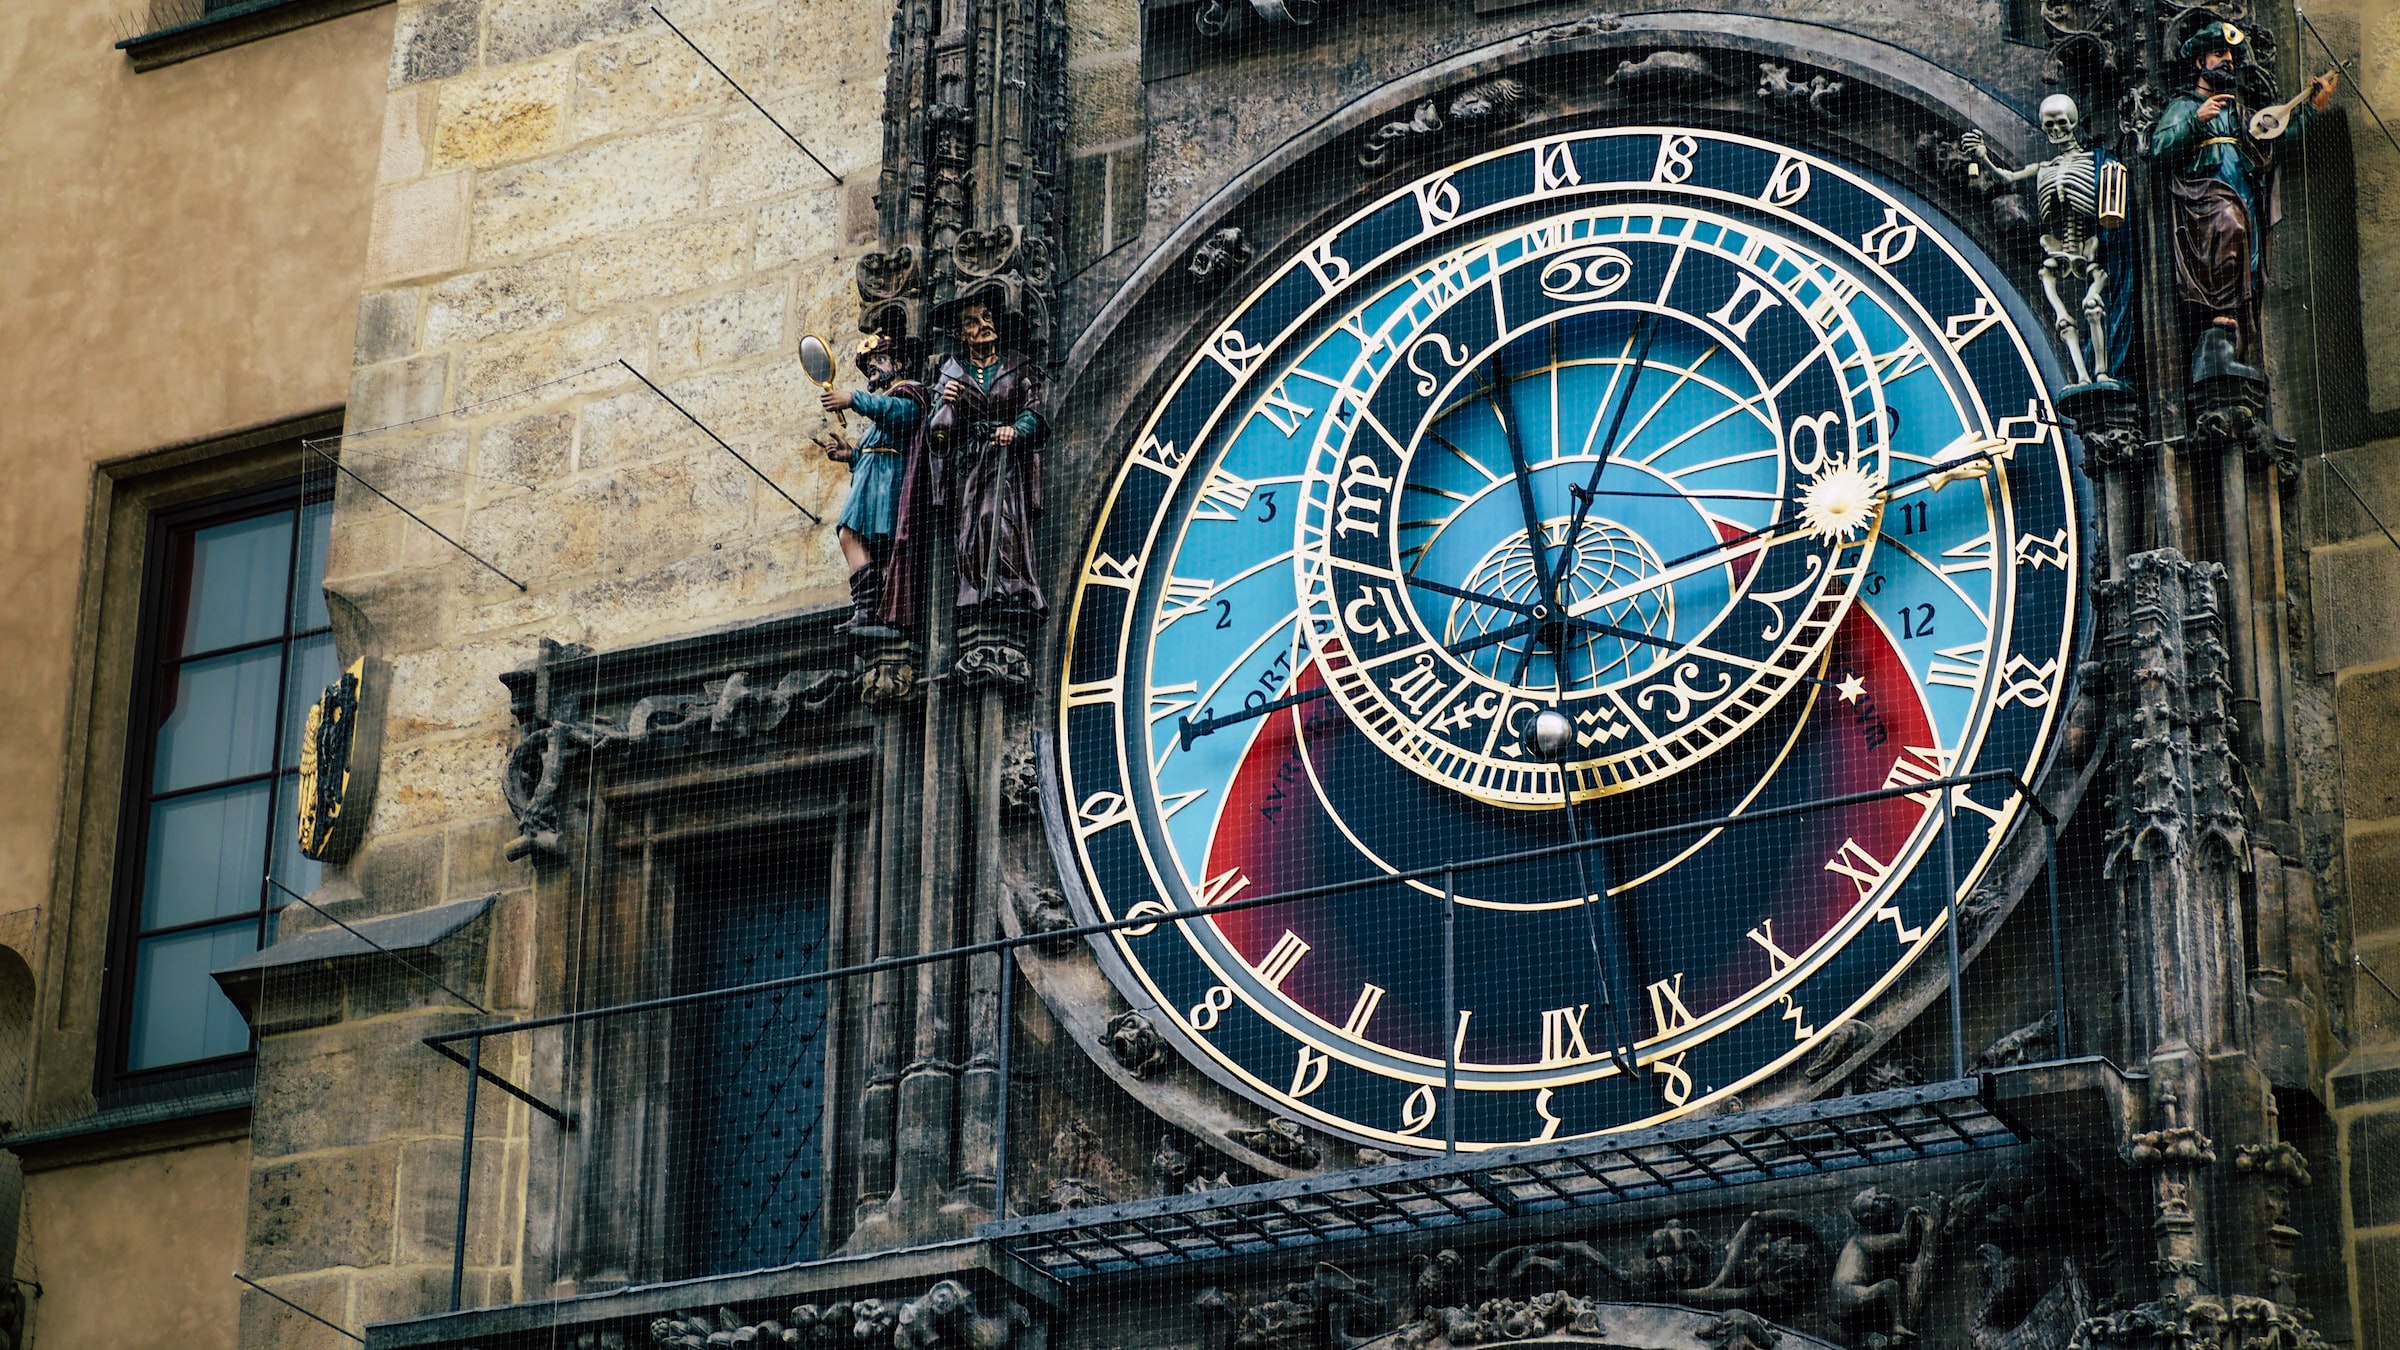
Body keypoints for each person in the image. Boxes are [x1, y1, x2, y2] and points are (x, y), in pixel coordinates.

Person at [2152, 20, 2337, 383]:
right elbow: (2159, 150)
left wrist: (2312, 110)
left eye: (2231, 56)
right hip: (2206, 201)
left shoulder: (2239, 112)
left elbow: (2274, 145)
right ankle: (2213, 345)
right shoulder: (2184, 106)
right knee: (2229, 226)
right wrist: (2195, 118)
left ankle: (2227, 346)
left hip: (2245, 196)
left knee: (2246, 259)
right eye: (2219, 54)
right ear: (2199, 63)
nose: (2228, 62)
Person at [877, 293, 1048, 665]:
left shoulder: (1018, 366)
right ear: (962, 333)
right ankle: (977, 589)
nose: (982, 325)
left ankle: (1010, 585)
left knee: (997, 519)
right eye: (972, 322)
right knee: (972, 526)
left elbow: (1036, 414)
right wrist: (946, 405)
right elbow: (937, 436)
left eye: (986, 317)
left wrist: (1015, 430)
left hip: (1006, 462)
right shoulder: (951, 373)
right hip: (968, 465)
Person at [815, 334, 926, 638]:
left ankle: (889, 613)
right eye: (868, 366)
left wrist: (853, 399)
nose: (872, 370)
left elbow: (902, 416)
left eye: (877, 361)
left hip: (891, 483)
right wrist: (850, 455)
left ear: (899, 363)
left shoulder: (911, 394)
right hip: (870, 482)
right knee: (849, 534)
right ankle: (866, 608)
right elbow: (876, 441)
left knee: (887, 544)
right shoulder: (882, 407)